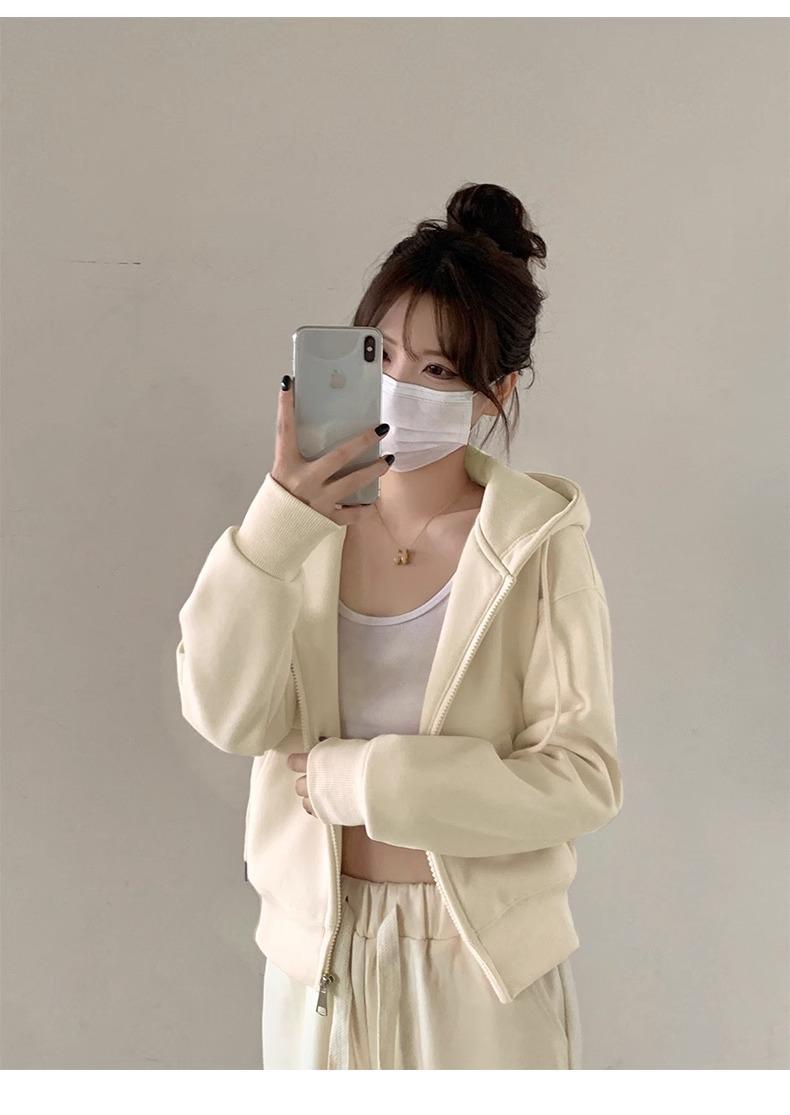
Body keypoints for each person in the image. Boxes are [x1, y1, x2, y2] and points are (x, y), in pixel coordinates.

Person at [176, 182, 624, 1069]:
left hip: (483, 968)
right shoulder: (298, 534)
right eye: (381, 352)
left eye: (440, 371)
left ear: (494, 392)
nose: (398, 385)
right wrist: (276, 523)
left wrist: (367, 779)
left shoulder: (537, 547)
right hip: (319, 960)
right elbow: (225, 716)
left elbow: (582, 779)